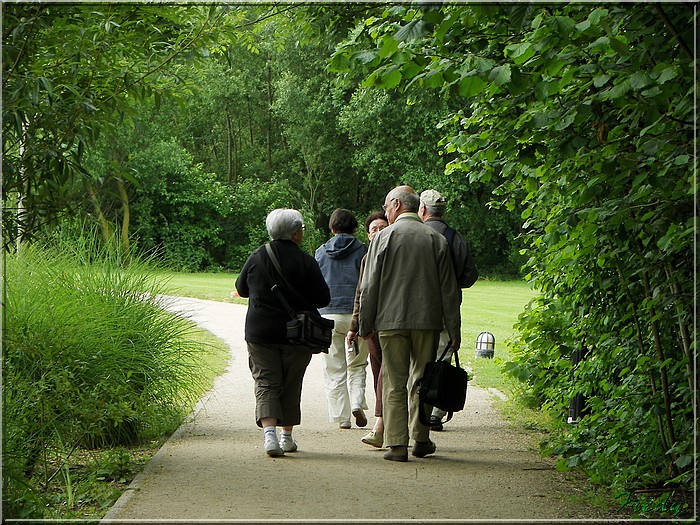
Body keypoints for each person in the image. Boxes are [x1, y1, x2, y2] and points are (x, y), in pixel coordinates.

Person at [358, 186, 461, 462]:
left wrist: (365, 324)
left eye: (386, 206)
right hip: (427, 320)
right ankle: (421, 438)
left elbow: (369, 287)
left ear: (396, 205)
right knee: (422, 380)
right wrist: (454, 330)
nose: (386, 211)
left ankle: (396, 444)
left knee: (394, 381)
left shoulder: (382, 239)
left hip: (390, 322)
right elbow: (449, 290)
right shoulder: (435, 238)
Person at [235, 209, 331, 457]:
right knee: (291, 382)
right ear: (296, 232)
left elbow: (241, 288)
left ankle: (270, 437)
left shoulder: (257, 257)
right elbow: (323, 297)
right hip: (298, 333)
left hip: (260, 333)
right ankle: (286, 437)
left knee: (266, 381)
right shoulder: (306, 261)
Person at [419, 189, 479, 431]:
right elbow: (470, 275)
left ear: (422, 210)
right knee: (443, 356)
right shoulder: (456, 238)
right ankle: (436, 411)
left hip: (418, 306)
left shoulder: (416, 235)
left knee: (419, 356)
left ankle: (417, 406)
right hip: (448, 306)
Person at [315, 209, 369, 429]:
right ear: (355, 228)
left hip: (328, 314)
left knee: (334, 368)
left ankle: (342, 417)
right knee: (357, 363)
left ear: (332, 229)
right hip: (357, 315)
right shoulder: (364, 251)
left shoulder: (320, 253)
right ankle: (357, 401)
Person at [346, 211, 389, 447]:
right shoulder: (366, 258)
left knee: (386, 373)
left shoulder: (395, 253)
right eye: (374, 229)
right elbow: (360, 295)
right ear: (368, 234)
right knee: (378, 370)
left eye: (383, 227)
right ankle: (386, 420)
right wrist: (355, 326)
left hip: (390, 324)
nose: (379, 232)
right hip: (372, 327)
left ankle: (380, 424)